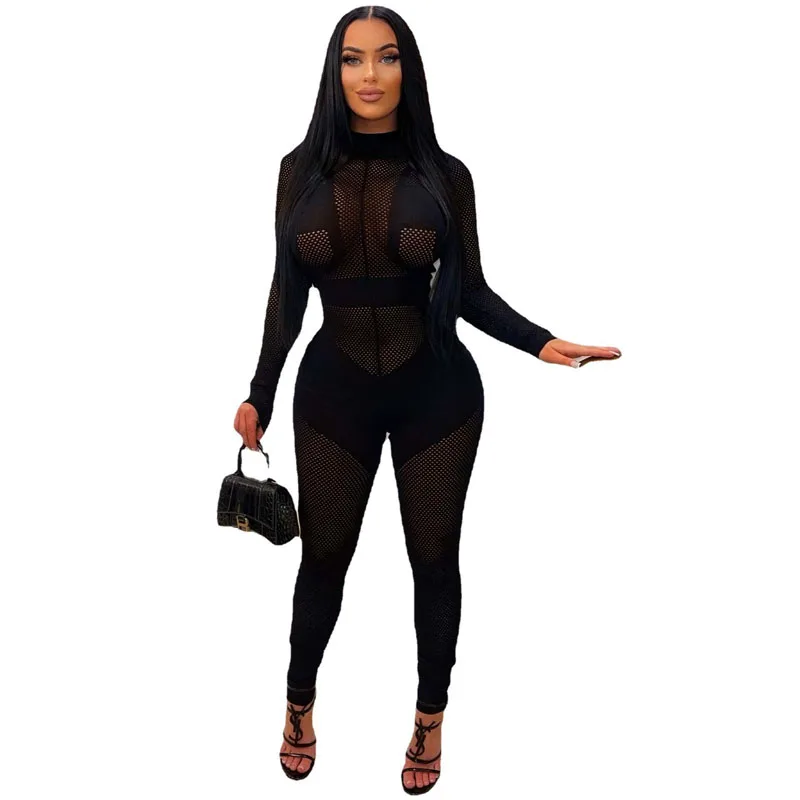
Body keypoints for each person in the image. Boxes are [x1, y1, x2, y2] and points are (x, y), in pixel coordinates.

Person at [232, 6, 621, 794]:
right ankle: (298, 703)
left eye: (387, 57)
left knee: (435, 561)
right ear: (334, 72)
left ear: (408, 69)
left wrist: (541, 342)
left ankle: (429, 719)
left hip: (438, 393)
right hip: (333, 392)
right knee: (323, 561)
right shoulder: (297, 170)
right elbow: (286, 294)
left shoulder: (446, 175)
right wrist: (258, 392)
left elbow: (469, 289)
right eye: (352, 59)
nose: (370, 75)